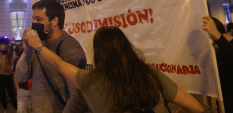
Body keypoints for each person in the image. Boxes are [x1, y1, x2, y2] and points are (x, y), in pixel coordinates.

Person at [24, 26, 203, 113]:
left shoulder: (89, 79)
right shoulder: (150, 73)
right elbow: (196, 107)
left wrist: (39, 46)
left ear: (98, 52)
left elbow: (59, 64)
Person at [15, 0, 88, 113]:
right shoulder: (40, 43)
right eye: (33, 19)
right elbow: (20, 77)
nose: (34, 24)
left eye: (39, 19)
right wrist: (28, 49)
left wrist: (38, 46)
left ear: (54, 21)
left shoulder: (69, 47)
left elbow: (78, 97)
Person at [0, 44, 17, 113]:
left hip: (7, 76)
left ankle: (16, 107)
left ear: (7, 49)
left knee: (11, 93)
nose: (3, 49)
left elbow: (9, 68)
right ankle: (5, 108)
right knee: (2, 93)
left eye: (4, 48)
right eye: (1, 48)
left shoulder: (10, 57)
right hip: (0, 76)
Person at [11, 43, 32, 113]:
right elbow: (15, 75)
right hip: (22, 89)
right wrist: (18, 89)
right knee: (21, 110)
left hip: (35, 89)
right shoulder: (18, 59)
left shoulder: (37, 57)